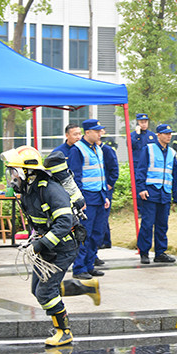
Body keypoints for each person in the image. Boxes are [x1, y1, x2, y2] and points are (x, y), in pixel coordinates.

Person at [2, 146, 100, 346]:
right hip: (49, 247)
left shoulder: (50, 189)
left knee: (44, 293)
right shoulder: (29, 190)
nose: (12, 177)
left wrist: (42, 244)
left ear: (26, 172)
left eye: (14, 171)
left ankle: (64, 332)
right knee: (37, 289)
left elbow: (64, 222)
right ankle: (86, 287)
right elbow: (39, 221)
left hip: (63, 248)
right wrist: (33, 239)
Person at [68, 119, 110, 280]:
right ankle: (79, 268)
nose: (100, 133)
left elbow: (101, 174)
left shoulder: (98, 148)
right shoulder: (77, 150)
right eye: (97, 131)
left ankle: (90, 265)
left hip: (99, 196)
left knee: (97, 234)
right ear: (88, 132)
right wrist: (79, 200)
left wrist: (105, 195)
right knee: (84, 234)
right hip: (87, 198)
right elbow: (75, 177)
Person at [136, 124, 177, 264]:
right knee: (147, 224)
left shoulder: (172, 152)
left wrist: (176, 196)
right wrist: (141, 188)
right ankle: (144, 252)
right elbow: (141, 170)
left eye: (170, 133)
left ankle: (160, 252)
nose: (169, 136)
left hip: (165, 193)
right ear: (158, 135)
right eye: (165, 133)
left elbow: (175, 175)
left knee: (162, 225)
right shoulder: (148, 149)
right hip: (150, 192)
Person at [98, 130, 119, 253]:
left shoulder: (107, 150)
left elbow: (114, 169)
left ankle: (104, 241)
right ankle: (105, 240)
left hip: (105, 188)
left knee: (103, 215)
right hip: (96, 188)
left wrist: (110, 184)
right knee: (100, 216)